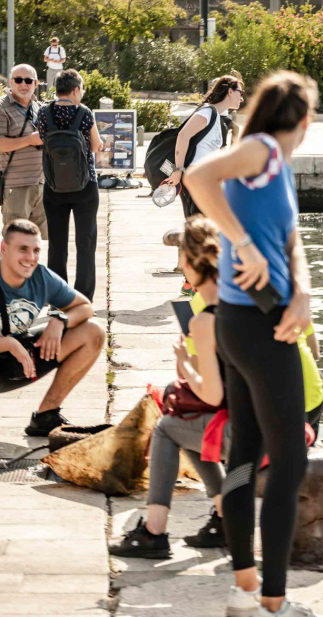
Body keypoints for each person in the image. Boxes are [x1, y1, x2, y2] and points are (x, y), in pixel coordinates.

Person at [184, 71, 321, 617]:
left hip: (246, 325)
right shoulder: (262, 150)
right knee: (288, 464)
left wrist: (302, 291)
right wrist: (240, 243)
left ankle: (245, 590)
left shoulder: (277, 166)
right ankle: (274, 600)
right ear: (304, 119)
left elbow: (291, 241)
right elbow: (197, 177)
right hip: (260, 329)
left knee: (243, 457)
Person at [110, 216, 229, 558]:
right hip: (269, 418)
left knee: (167, 428)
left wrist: (184, 361)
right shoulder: (239, 303)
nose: (179, 267)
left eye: (180, 259)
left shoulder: (205, 318)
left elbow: (213, 395)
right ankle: (225, 515)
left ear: (191, 263)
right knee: (183, 422)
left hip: (247, 431)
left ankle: (154, 531)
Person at [0, 219, 105, 446]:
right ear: (4, 248)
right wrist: (8, 344)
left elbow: (85, 307)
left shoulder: (41, 276)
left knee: (93, 331)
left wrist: (60, 320)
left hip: (22, 359)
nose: (31, 258)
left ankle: (46, 415)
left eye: (36, 250)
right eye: (23, 249)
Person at [35, 69, 102, 300]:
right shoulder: (84, 113)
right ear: (75, 90)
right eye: (81, 89)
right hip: (85, 185)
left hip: (54, 185)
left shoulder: (44, 113)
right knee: (86, 242)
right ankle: (83, 296)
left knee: (57, 243)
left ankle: (58, 296)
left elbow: (42, 140)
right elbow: (95, 146)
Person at [161, 74, 245, 219]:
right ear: (230, 92)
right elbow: (183, 136)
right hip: (197, 177)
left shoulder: (216, 116)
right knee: (200, 222)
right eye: (240, 92)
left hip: (205, 177)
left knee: (200, 222)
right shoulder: (207, 112)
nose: (242, 98)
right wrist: (178, 170)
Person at [0, 64, 45, 237]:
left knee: (41, 241)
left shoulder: (38, 107)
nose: (23, 84)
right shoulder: (0, 106)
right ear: (11, 82)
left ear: (35, 83)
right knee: (16, 241)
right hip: (16, 187)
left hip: (42, 186)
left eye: (28, 80)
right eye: (18, 80)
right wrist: (29, 140)